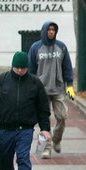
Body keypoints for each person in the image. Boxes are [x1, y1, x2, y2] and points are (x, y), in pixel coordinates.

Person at [27, 20, 75, 157]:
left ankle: (56, 140)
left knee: (62, 117)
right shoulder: (36, 48)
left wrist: (70, 86)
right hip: (41, 91)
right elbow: (30, 70)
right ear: (44, 31)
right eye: (49, 30)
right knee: (44, 119)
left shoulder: (61, 47)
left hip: (58, 89)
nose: (51, 32)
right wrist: (31, 88)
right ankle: (46, 148)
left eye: (53, 30)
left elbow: (67, 67)